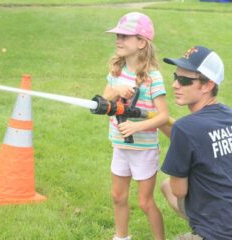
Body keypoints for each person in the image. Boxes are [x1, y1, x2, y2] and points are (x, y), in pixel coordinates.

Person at [160, 46, 232, 240]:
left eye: (185, 80)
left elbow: (179, 191)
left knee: (169, 186)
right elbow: (197, 141)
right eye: (175, 77)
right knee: (166, 185)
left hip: (224, 233)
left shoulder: (185, 128)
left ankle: (203, 232)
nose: (175, 85)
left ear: (208, 85)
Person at [102, 12, 169, 240]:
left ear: (141, 42)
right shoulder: (116, 72)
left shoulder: (153, 77)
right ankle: (121, 237)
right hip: (120, 145)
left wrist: (137, 127)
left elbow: (163, 117)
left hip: (144, 149)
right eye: (118, 35)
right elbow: (104, 102)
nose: (118, 40)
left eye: (125, 36)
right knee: (118, 196)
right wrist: (116, 90)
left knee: (145, 202)